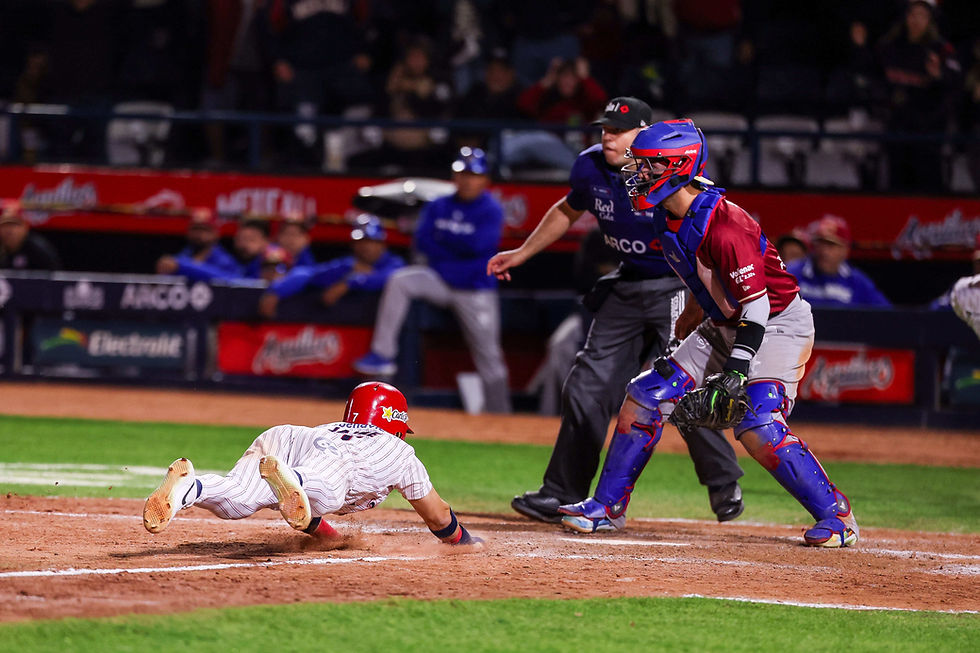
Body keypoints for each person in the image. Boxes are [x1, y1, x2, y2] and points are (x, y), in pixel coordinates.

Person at [559, 119, 859, 548]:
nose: (636, 175)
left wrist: (736, 368)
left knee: (757, 424)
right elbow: (707, 278)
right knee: (646, 395)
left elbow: (756, 304)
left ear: (678, 166)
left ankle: (837, 516)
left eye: (647, 167)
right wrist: (695, 316)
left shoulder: (726, 224)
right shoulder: (668, 216)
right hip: (724, 322)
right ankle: (607, 508)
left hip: (775, 325)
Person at [488, 98, 744, 524]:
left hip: (677, 286)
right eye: (605, 129)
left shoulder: (668, 173)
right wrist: (523, 252)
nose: (607, 136)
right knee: (585, 384)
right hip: (628, 283)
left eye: (618, 131)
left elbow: (710, 229)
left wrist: (709, 298)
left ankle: (722, 482)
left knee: (680, 383)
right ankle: (561, 493)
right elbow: (567, 209)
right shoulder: (589, 166)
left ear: (644, 135)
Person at [142, 381, 484, 550]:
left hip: (292, 436)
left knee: (239, 499)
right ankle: (295, 478)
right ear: (395, 420)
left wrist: (329, 537)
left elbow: (300, 509)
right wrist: (466, 542)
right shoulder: (397, 450)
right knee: (330, 489)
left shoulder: (332, 427)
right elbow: (439, 518)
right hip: (330, 466)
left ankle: (192, 487)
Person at [354, 147, 511, 413]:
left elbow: (480, 246)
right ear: (454, 175)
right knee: (401, 280)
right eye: (462, 173)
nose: (467, 180)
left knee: (490, 357)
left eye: (474, 174)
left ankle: (501, 415)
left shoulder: (491, 209)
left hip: (474, 289)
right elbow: (423, 242)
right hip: (440, 279)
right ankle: (382, 354)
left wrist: (446, 244)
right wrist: (456, 250)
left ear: (485, 179)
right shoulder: (439, 205)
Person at [258, 214, 405, 319]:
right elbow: (308, 274)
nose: (365, 247)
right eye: (361, 241)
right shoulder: (348, 264)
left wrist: (349, 283)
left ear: (382, 244)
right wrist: (275, 292)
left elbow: (388, 278)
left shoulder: (395, 264)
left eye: (371, 241)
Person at [786, 215, 891, 308]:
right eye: (821, 243)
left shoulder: (857, 281)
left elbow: (886, 315)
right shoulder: (791, 274)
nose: (824, 252)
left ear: (845, 250)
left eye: (831, 245)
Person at [155, 208, 239, 278]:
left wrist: (182, 267)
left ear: (216, 234)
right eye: (195, 229)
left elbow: (229, 280)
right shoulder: (182, 256)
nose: (198, 234)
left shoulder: (225, 261)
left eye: (204, 229)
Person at [0, 199, 61, 271]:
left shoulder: (38, 251)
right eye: (4, 225)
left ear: (25, 227)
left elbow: (55, 277)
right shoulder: (3, 250)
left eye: (14, 224)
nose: (9, 230)